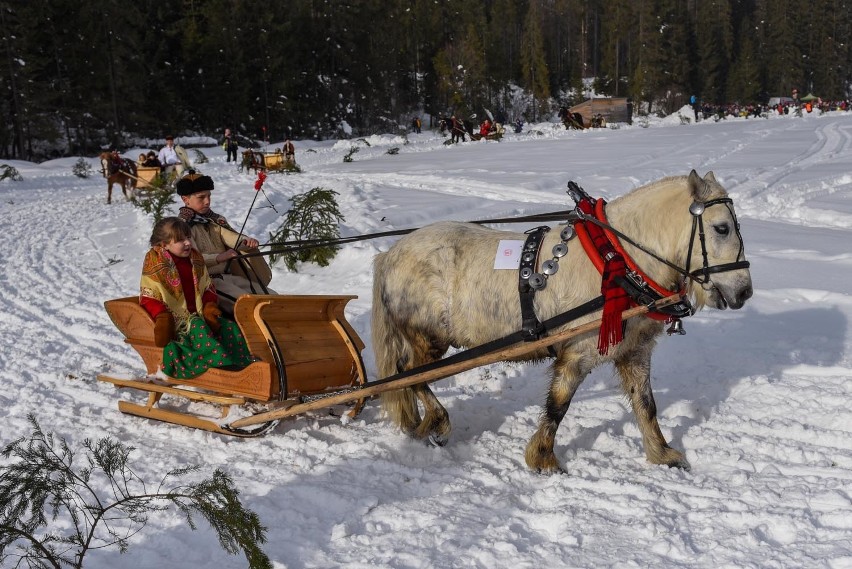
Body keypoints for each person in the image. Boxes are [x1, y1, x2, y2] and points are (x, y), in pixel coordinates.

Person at [139, 217, 253, 379]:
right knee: (200, 330)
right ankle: (220, 368)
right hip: (179, 322)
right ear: (164, 244)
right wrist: (163, 317)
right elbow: (149, 295)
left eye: (188, 237)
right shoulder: (155, 262)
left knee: (230, 327)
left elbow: (207, 286)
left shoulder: (195, 258)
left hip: (198, 313)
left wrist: (209, 307)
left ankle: (242, 364)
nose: (187, 243)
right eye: (180, 240)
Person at [176, 170, 274, 314]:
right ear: (185, 199)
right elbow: (191, 259)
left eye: (209, 196)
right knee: (250, 304)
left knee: (272, 297)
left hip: (228, 277)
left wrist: (246, 242)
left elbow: (231, 237)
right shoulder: (181, 227)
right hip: (206, 283)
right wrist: (219, 257)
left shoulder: (214, 220)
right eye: (201, 197)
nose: (207, 201)